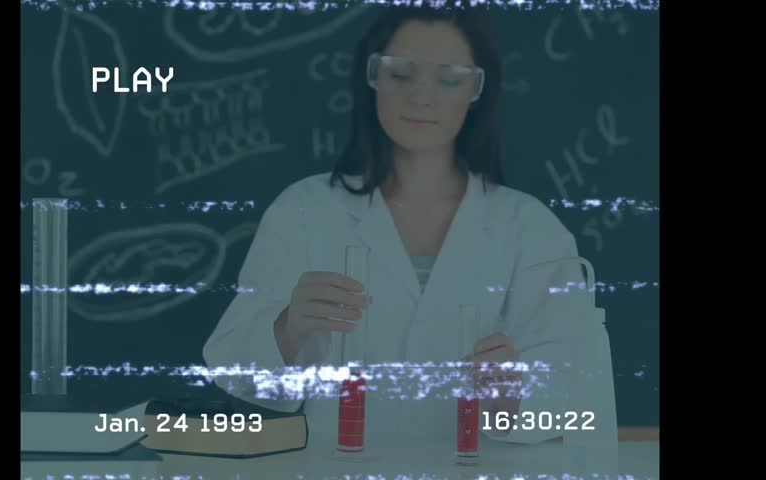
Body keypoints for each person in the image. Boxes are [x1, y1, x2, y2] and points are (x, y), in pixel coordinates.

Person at [203, 2, 589, 448]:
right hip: (336, 468)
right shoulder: (304, 212)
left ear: (477, 90)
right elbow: (236, 375)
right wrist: (286, 330)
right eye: (401, 74)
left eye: (448, 79)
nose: (421, 97)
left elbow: (574, 392)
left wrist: (511, 401)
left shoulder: (532, 230)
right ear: (372, 78)